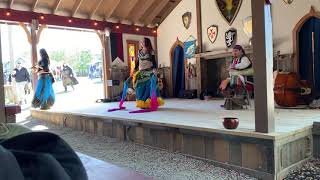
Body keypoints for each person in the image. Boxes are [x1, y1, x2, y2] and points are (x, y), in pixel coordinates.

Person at [132, 37, 164, 109]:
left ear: (146, 42)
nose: (141, 42)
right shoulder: (139, 51)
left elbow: (154, 61)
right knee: (139, 87)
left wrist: (155, 70)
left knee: (149, 87)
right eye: (141, 41)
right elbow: (138, 61)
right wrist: (135, 69)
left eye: (143, 41)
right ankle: (142, 103)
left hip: (149, 71)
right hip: (141, 72)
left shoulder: (151, 51)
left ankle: (149, 102)